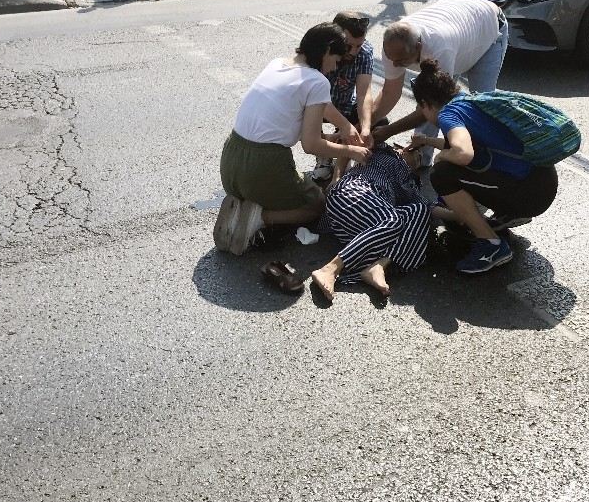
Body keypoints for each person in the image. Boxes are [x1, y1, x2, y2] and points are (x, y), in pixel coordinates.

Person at [214, 23, 372, 256]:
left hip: (231, 160)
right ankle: (258, 218)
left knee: (286, 187)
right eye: (335, 60)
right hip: (262, 166)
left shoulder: (277, 64)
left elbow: (305, 112)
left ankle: (245, 204)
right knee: (316, 205)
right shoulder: (317, 81)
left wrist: (343, 128)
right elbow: (311, 146)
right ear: (327, 50)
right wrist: (351, 151)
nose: (333, 68)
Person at [408, 60, 560, 274]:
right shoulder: (469, 101)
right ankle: (509, 214)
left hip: (529, 194)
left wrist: (441, 156)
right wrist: (426, 140)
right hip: (542, 181)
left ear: (426, 104)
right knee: (455, 165)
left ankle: (492, 244)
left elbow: (463, 152)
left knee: (441, 174)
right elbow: (468, 145)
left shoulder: (447, 114)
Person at [371, 0, 509, 164]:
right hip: (460, 29)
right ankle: (421, 155)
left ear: (419, 48)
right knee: (432, 100)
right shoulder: (394, 47)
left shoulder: (439, 48)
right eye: (391, 58)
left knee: (480, 106)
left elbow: (433, 107)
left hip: (488, 30)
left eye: (400, 61)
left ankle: (478, 158)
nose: (395, 64)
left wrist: (389, 130)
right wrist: (364, 125)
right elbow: (390, 93)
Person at [310, 143, 433, 303]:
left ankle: (379, 265)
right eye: (417, 155)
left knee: (421, 211)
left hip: (367, 221)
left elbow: (427, 209)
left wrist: (459, 215)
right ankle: (331, 269)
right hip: (352, 193)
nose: (418, 160)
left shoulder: (409, 181)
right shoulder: (382, 151)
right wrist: (336, 177)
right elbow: (351, 142)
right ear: (405, 149)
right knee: (393, 221)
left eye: (420, 159)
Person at [312, 11, 377, 184]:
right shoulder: (320, 53)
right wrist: (344, 127)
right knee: (309, 114)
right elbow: (315, 97)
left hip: (345, 104)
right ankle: (324, 156)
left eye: (358, 46)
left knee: (375, 118)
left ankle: (345, 159)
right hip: (317, 105)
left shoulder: (364, 53)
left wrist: (365, 128)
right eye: (349, 46)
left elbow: (364, 94)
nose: (354, 52)